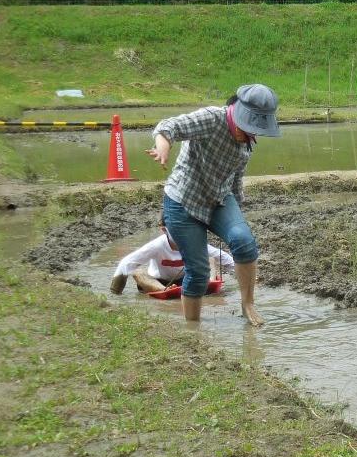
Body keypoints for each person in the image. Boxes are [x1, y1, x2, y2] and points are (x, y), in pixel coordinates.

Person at [146, 84, 280, 326]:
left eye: (255, 131)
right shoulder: (211, 118)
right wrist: (163, 147)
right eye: (248, 128)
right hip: (183, 202)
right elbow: (168, 127)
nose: (251, 136)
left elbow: (236, 179)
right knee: (198, 273)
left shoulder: (246, 142)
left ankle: (247, 304)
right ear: (237, 113)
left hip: (219, 198)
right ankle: (193, 328)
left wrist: (235, 214)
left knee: (244, 241)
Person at [109, 219, 234, 294]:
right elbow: (126, 263)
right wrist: (116, 292)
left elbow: (223, 257)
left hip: (185, 279)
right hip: (158, 282)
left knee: (210, 257)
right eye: (176, 230)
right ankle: (164, 291)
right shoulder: (157, 245)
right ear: (164, 230)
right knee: (137, 272)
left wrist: (249, 276)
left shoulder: (193, 242)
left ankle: (210, 284)